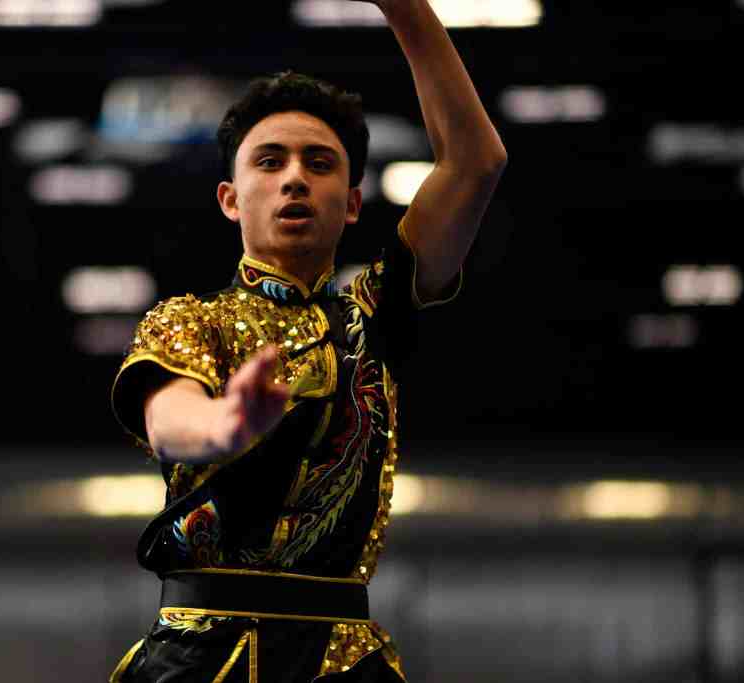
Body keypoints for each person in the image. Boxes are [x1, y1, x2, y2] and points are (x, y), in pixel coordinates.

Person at [108, 1, 506, 680]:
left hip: (344, 663)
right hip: (200, 660)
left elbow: (476, 162)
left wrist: (404, 8)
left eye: (319, 163)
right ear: (231, 198)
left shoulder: (375, 315)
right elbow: (170, 422)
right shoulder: (189, 320)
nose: (295, 176)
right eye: (270, 161)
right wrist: (225, 426)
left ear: (351, 203)